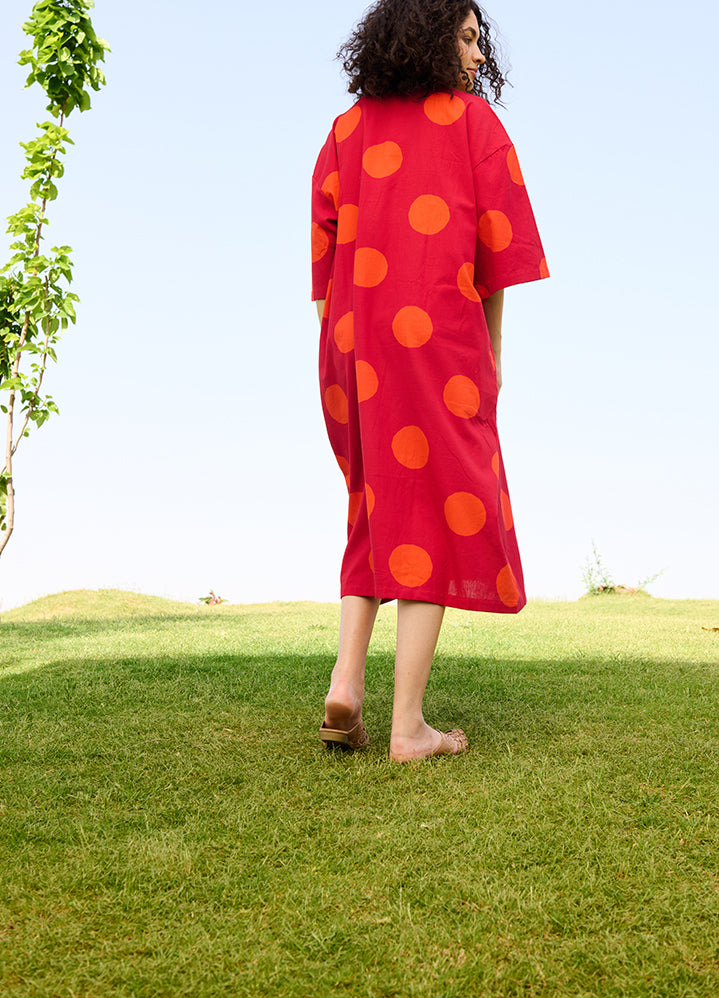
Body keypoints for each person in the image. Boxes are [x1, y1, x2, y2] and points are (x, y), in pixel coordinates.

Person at [311, 0, 548, 762]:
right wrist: (493, 356)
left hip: (351, 339)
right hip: (434, 335)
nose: (479, 57)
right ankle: (408, 727)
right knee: (432, 510)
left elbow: (323, 262)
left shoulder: (345, 131)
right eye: (470, 38)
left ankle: (346, 685)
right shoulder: (474, 126)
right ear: (430, 35)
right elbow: (498, 257)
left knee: (371, 503)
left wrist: (346, 337)